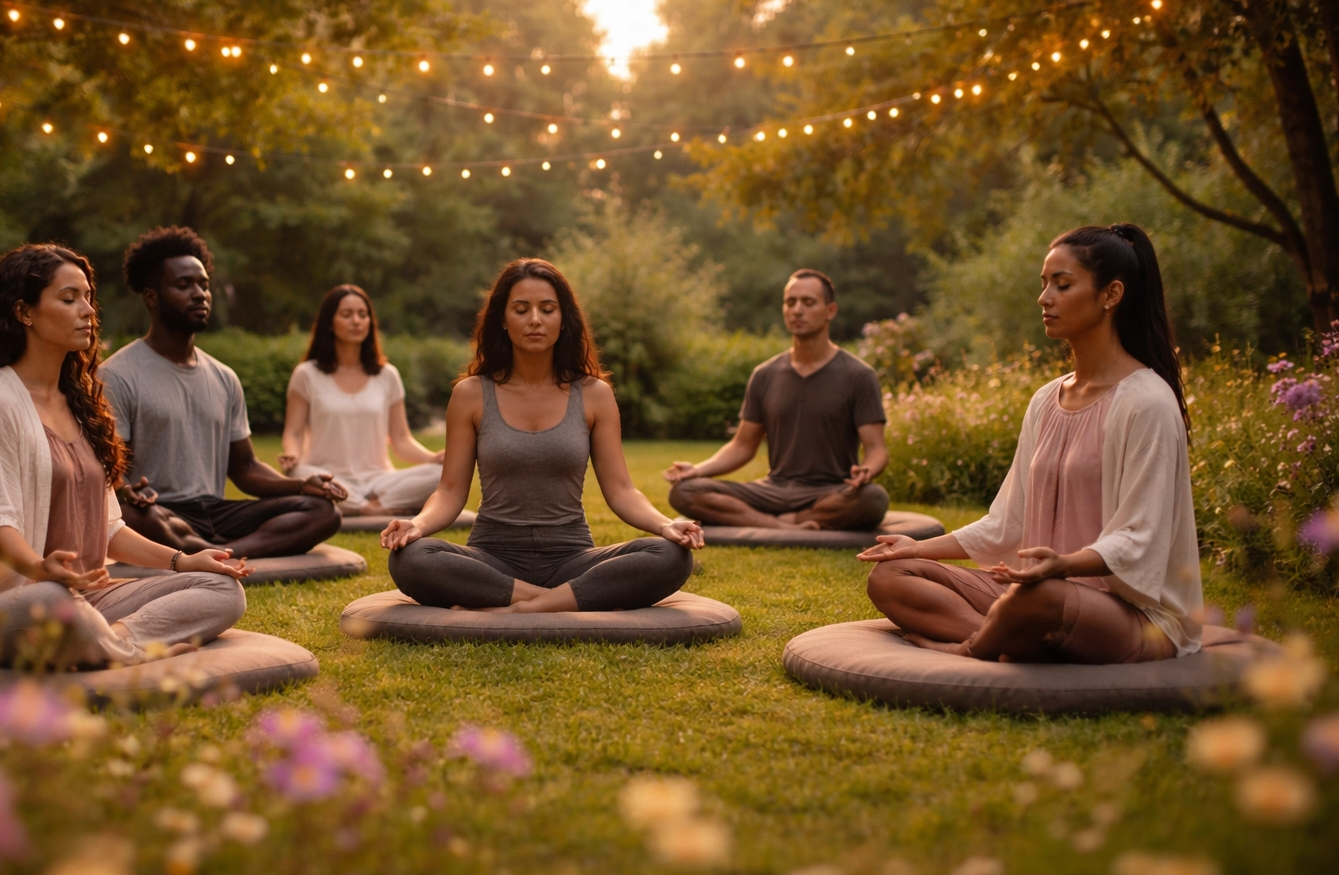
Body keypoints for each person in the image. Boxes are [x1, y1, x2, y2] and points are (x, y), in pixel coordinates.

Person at [858, 224, 1202, 663]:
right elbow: (1007, 523)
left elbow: (1141, 538)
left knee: (1039, 599)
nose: (1044, 298)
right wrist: (916, 547)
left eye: (1062, 284)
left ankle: (974, 646)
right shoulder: (1046, 400)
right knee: (891, 576)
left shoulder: (1147, 402)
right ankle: (1012, 636)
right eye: (1044, 285)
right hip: (1035, 592)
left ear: (1111, 294)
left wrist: (1064, 566)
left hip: (1134, 615)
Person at [0, 244, 251, 668]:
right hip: (3, 606)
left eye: (87, 298)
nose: (87, 311)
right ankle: (124, 650)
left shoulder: (80, 403)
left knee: (222, 589)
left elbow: (109, 529)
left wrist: (182, 560)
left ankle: (111, 641)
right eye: (69, 299)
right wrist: (40, 568)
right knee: (51, 600)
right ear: (24, 312)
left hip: (86, 601)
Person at [382, 258, 702, 613]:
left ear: (563, 319)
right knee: (411, 558)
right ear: (503, 320)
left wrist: (666, 524)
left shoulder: (594, 394)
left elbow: (621, 490)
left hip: (571, 557)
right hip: (492, 558)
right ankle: (558, 601)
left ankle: (520, 608)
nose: (535, 319)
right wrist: (417, 524)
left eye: (547, 309)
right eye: (521, 309)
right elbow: (450, 491)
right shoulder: (471, 394)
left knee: (671, 555)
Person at [100, 226, 345, 559]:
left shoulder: (224, 377)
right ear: (151, 297)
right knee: (129, 517)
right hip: (160, 511)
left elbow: (245, 468)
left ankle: (220, 554)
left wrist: (302, 485)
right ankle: (217, 554)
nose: (200, 294)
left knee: (323, 510)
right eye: (183, 285)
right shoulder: (117, 374)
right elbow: (112, 470)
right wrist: (128, 492)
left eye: (204, 284)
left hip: (217, 512)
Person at [664, 269, 889, 531]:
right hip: (772, 491)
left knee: (873, 499)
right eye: (790, 302)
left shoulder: (859, 375)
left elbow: (877, 449)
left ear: (830, 310)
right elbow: (742, 446)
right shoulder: (765, 374)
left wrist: (867, 470)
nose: (797, 310)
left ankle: (786, 520)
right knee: (685, 491)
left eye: (808, 302)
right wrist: (698, 470)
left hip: (829, 491)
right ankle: (785, 525)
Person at [279, 284, 444, 516]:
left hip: (379, 481)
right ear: (329, 322)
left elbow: (401, 438)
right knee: (299, 475)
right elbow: (293, 433)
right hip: (329, 477)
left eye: (362, 314)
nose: (356, 321)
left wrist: (433, 458)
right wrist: (292, 455)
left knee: (442, 474)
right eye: (346, 315)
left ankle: (363, 506)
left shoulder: (387, 375)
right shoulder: (306, 374)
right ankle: (372, 507)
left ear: (370, 322)